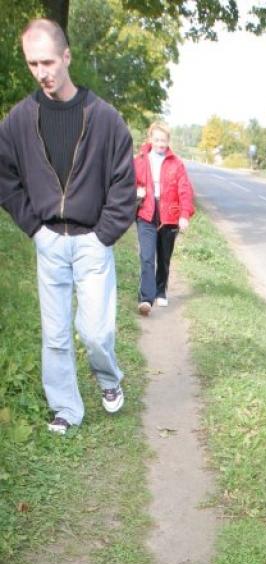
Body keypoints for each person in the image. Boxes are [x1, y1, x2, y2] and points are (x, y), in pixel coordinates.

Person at [0, 18, 137, 435]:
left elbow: (124, 186)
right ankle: (66, 408)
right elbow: (5, 179)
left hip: (93, 242)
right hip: (49, 243)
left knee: (95, 333)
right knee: (55, 336)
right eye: (32, 64)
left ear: (66, 57)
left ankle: (110, 379)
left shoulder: (106, 119)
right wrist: (35, 229)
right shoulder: (19, 121)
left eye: (47, 62)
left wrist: (103, 235)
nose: (41, 73)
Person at [134, 122, 194, 315]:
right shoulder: (140, 160)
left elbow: (185, 190)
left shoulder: (176, 163)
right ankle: (146, 299)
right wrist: (136, 191)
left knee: (164, 257)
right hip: (146, 212)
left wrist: (184, 215)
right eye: (157, 139)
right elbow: (127, 183)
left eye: (164, 140)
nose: (160, 143)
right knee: (147, 256)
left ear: (168, 141)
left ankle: (161, 290)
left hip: (170, 214)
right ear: (150, 139)